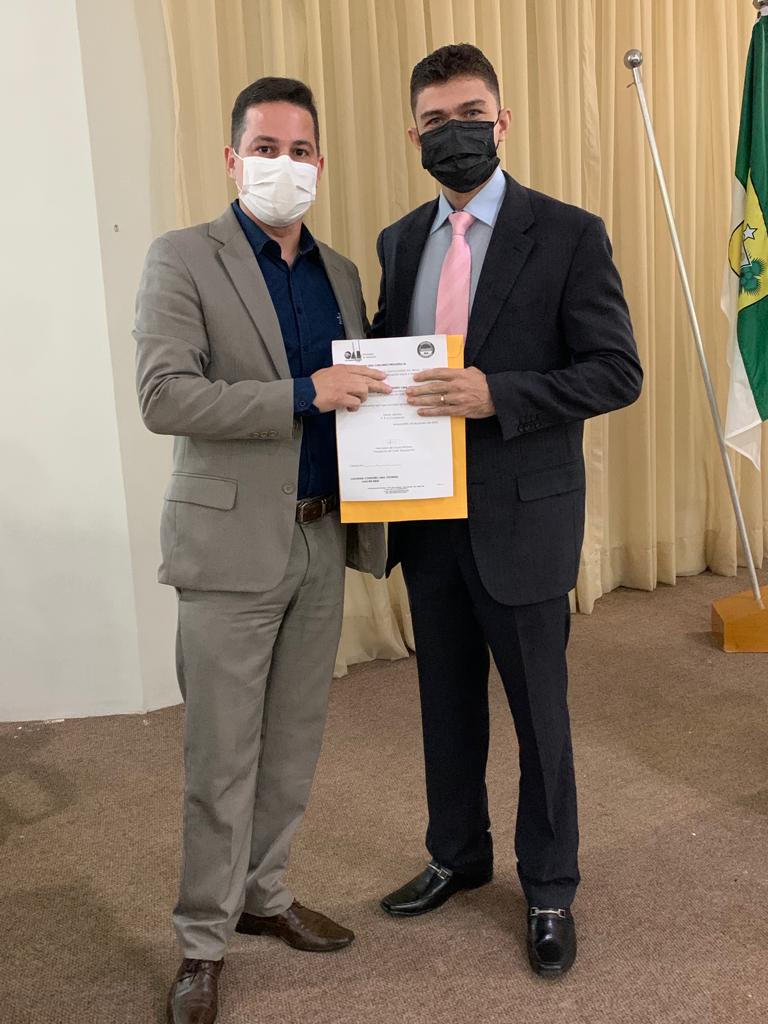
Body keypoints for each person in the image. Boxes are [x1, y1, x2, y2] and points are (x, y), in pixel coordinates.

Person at [372, 44, 642, 977]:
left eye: (471, 114)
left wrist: (501, 394)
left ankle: (551, 886)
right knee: (444, 706)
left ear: (504, 120)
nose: (456, 133)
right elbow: (390, 362)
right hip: (425, 516)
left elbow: (616, 372)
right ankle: (458, 854)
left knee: (540, 718)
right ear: (414, 135)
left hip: (525, 519)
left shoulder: (568, 234)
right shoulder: (399, 241)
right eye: (436, 121)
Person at [134, 77, 389, 1024]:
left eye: (301, 149)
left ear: (321, 162)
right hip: (228, 544)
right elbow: (165, 395)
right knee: (220, 757)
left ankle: (264, 894)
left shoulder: (343, 274)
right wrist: (300, 393)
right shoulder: (181, 258)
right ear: (233, 158)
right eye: (267, 148)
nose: (286, 164)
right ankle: (202, 941)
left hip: (322, 535)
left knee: (292, 744)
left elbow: (368, 392)